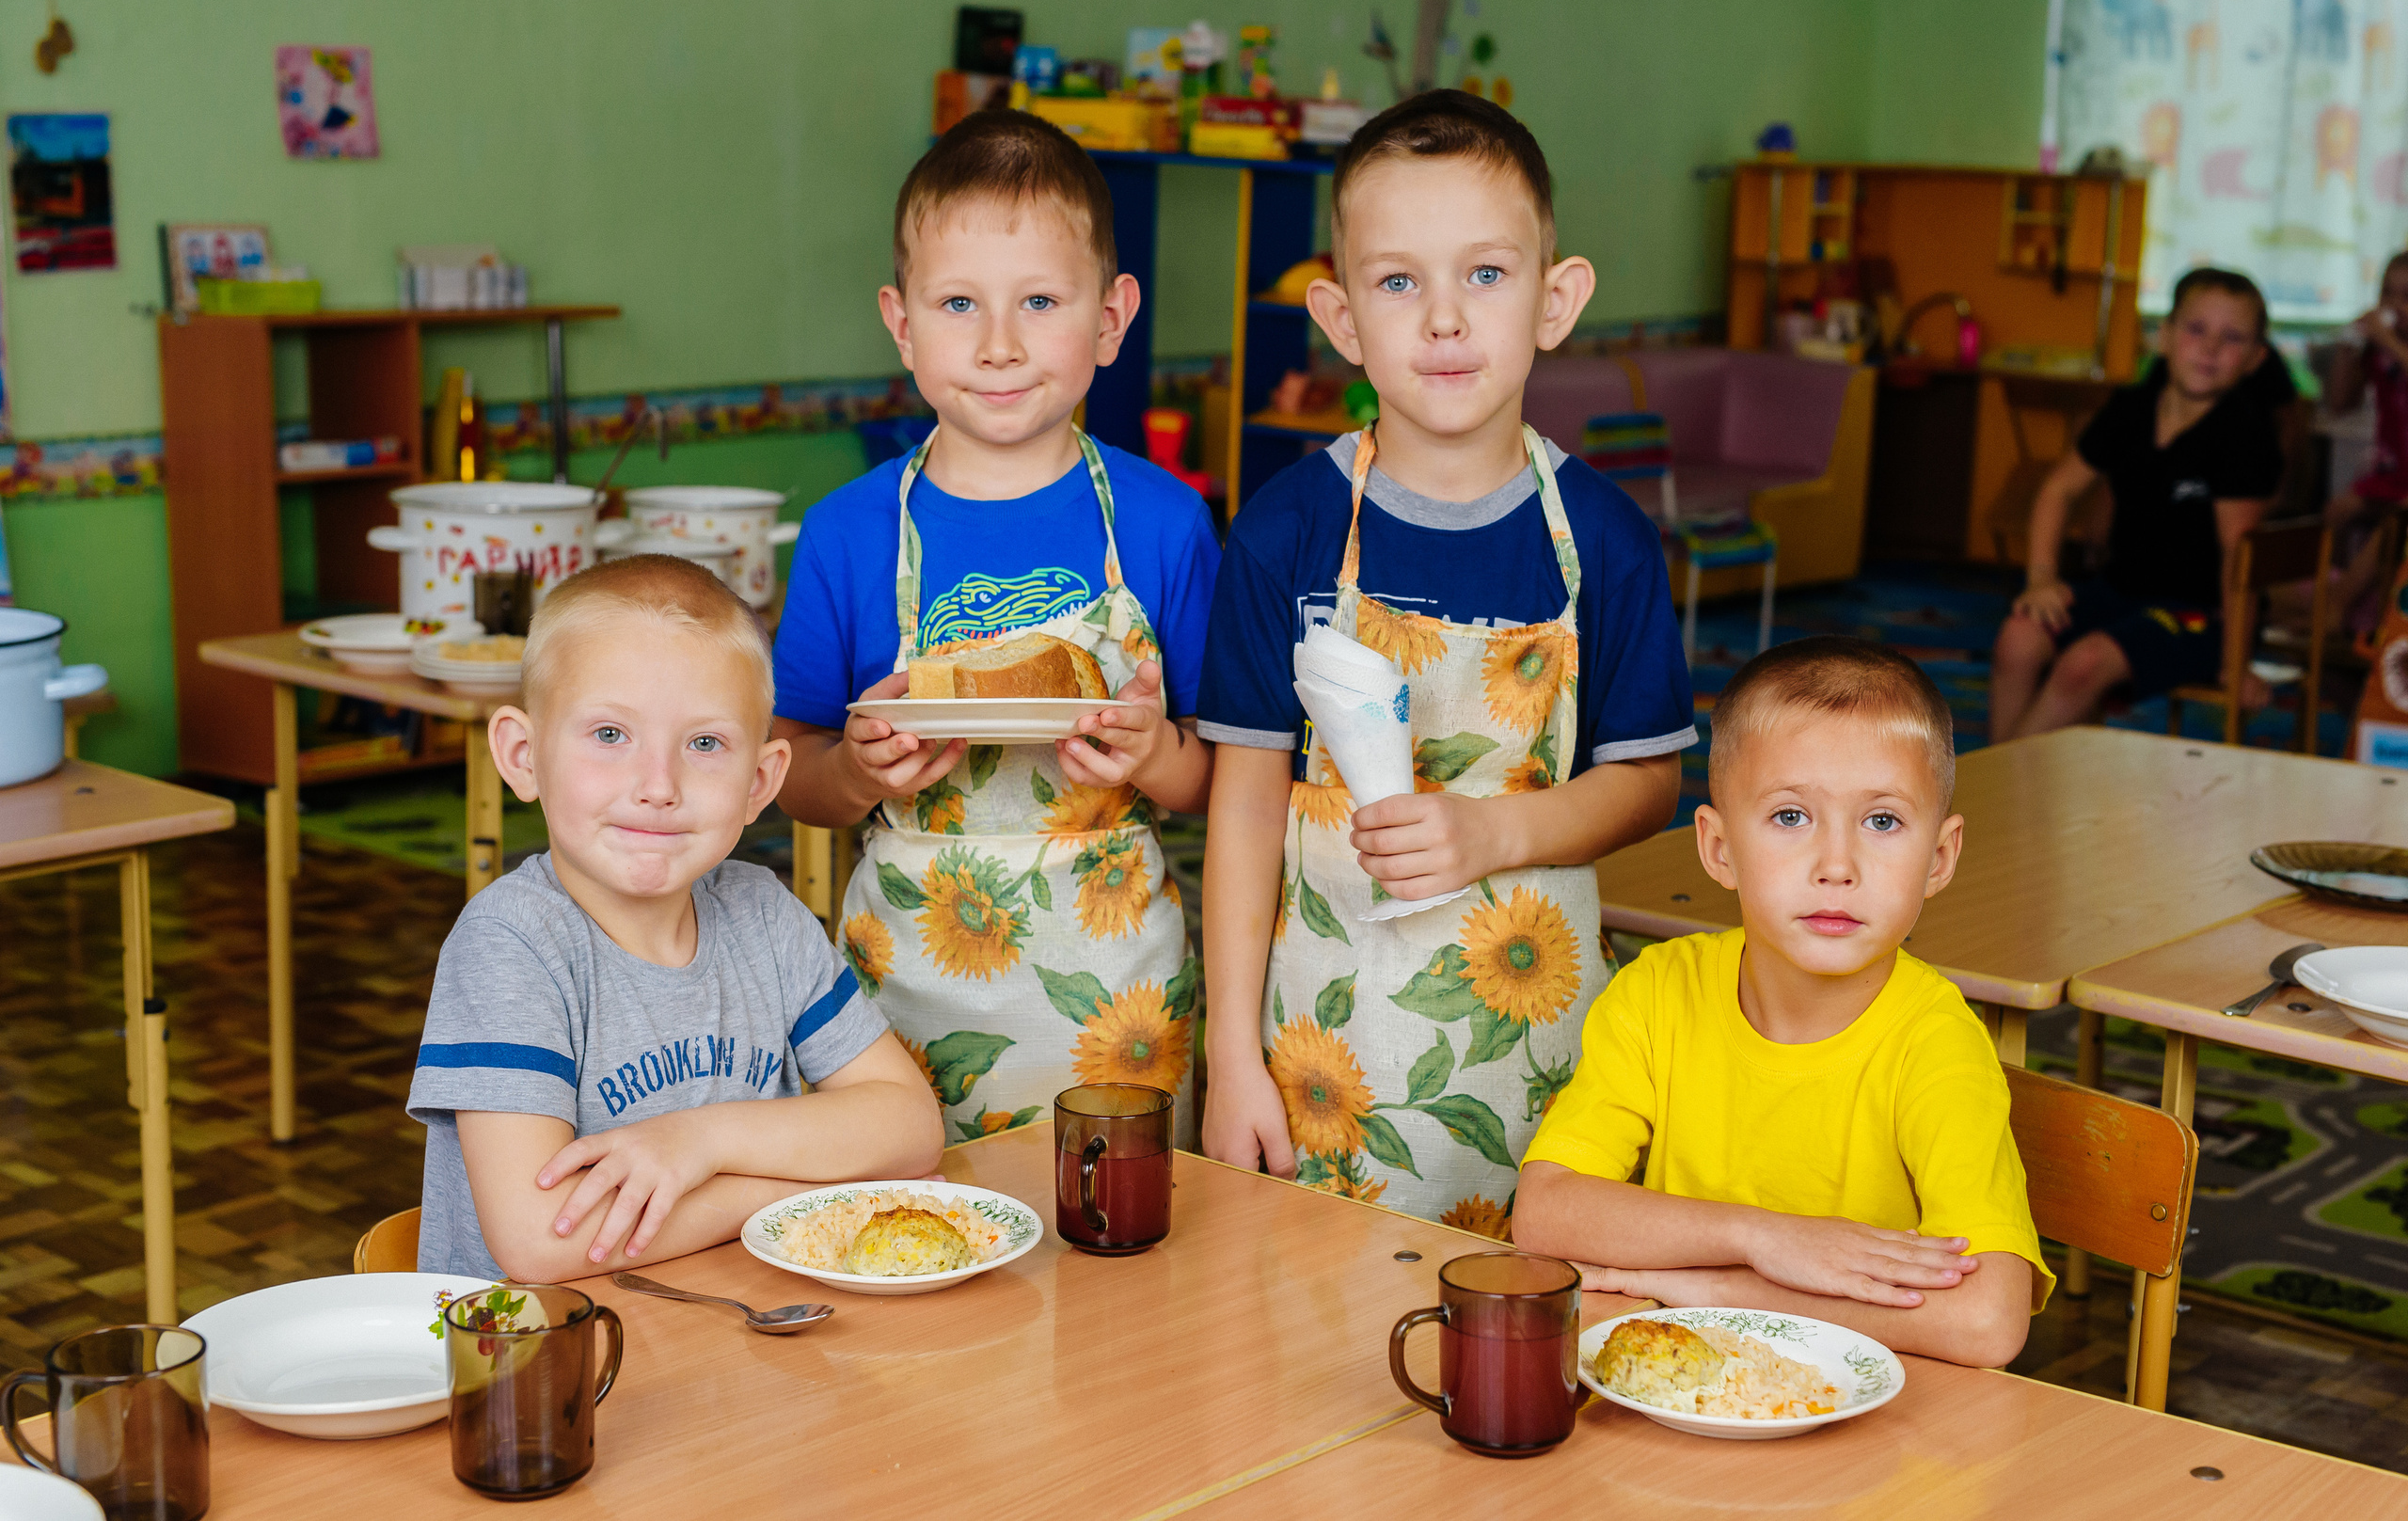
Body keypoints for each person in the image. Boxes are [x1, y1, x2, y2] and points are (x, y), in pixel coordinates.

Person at [1196, 90, 1694, 1228]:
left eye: (1484, 273)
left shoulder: (1603, 539)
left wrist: (1490, 832)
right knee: (1301, 1330)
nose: (1443, 319)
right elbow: (1241, 809)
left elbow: (1648, 782)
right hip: (1322, 1048)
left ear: (1553, 300)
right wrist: (1231, 1058)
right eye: (1397, 281)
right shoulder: (1285, 528)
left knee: (1523, 1334)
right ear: (1340, 317)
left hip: (1542, 1059)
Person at [772, 110, 1221, 1146]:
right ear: (901, 322)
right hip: (904, 992)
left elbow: (1226, 775)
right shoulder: (848, 532)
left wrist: (1155, 755)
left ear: (1111, 319)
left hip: (1117, 990)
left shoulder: (1163, 521)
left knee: (1123, 1255)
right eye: (959, 303)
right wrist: (859, 771)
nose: (999, 343)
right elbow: (788, 767)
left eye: (1040, 302)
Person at [1513, 638, 2047, 1368]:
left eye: (1883, 821)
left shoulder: (1937, 1043)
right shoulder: (1656, 992)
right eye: (1791, 816)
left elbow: (1988, 1320)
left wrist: (1716, 1287)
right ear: (1719, 847)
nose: (1837, 866)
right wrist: (1764, 1238)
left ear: (1941, 858)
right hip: (1683, 1397)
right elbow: (1545, 1211)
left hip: (1873, 1431)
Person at [408, 556, 943, 1282]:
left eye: (704, 744)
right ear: (522, 755)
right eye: (608, 734)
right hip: (550, 1374)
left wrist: (699, 1141)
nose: (658, 786)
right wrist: (799, 1192)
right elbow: (540, 1242)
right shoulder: (509, 945)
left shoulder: (764, 915)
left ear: (760, 782)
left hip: (738, 1338)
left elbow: (909, 1128)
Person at [1990, 266, 2285, 740]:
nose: (2209, 348)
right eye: (2195, 329)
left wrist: (2235, 664)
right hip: (2119, 594)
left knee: (2082, 665)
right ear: (2163, 337)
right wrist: (2041, 578)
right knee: (2017, 639)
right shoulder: (2129, 410)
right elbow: (2057, 490)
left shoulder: (2244, 436)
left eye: (2231, 338)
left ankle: (2000, 789)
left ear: (2254, 359)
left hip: (2202, 616)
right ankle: (2003, 784)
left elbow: (2239, 558)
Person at [2319, 249, 2408, 630]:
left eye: (2406, 297)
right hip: (2393, 471)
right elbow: (2340, 404)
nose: (2394, 306)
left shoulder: (2391, 345)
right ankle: (2328, 586)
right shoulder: (2379, 350)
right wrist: (2346, 353)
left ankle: (2341, 603)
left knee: (2397, 522)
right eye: (2387, 294)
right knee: (2338, 510)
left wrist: (2388, 341)